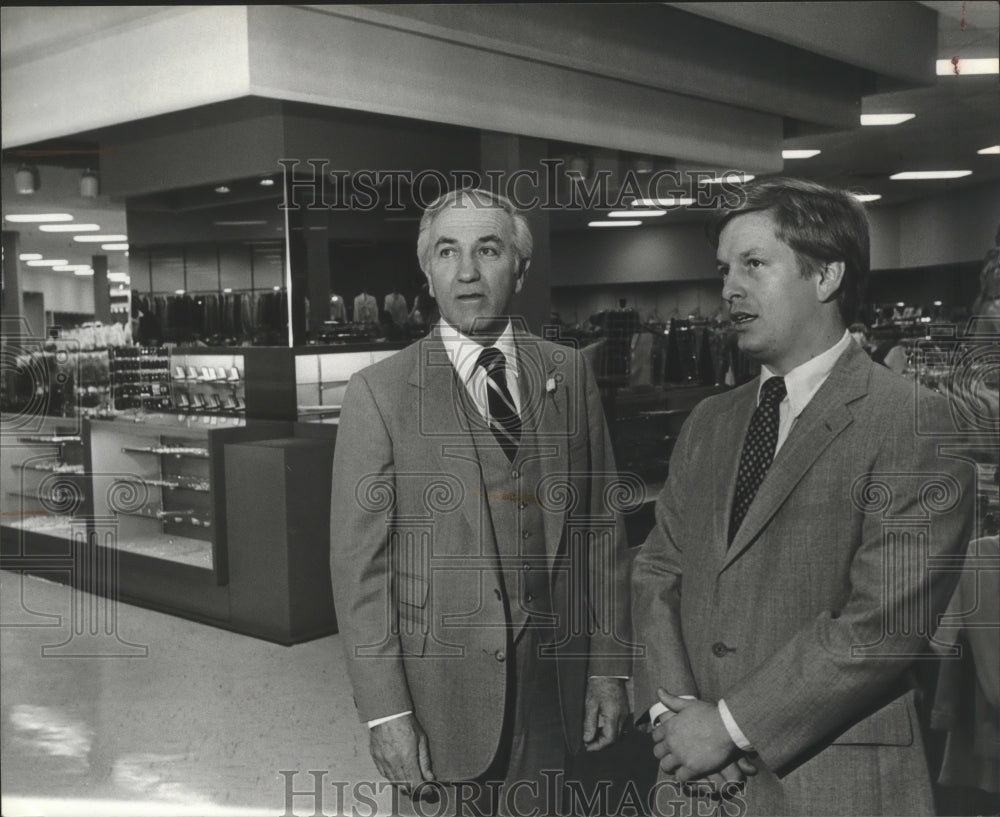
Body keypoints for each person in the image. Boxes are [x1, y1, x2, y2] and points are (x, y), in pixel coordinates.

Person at [631, 178, 975, 816]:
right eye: (724, 268)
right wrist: (675, 715)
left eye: (754, 264)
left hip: (831, 782)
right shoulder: (710, 421)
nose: (729, 287)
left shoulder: (912, 421)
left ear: (827, 277)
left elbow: (882, 625)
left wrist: (729, 725)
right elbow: (657, 569)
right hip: (692, 785)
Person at [330, 188, 632, 815]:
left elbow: (601, 533)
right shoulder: (379, 395)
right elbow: (361, 572)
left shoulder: (569, 373)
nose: (467, 271)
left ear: (519, 266)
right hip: (444, 704)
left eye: (487, 250)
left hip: (556, 691)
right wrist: (386, 711)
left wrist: (609, 669)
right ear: (428, 270)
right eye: (448, 251)